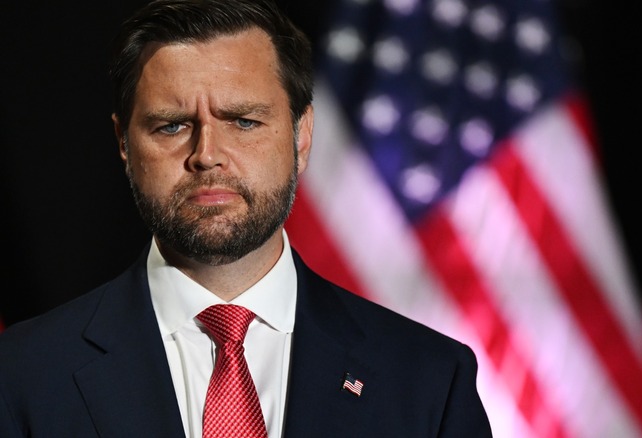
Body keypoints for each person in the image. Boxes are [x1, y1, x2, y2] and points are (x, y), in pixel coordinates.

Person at [0, 0, 492, 437]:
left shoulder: (430, 380)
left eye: (243, 121)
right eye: (171, 126)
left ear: (302, 136)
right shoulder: (21, 375)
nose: (207, 154)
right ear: (124, 144)